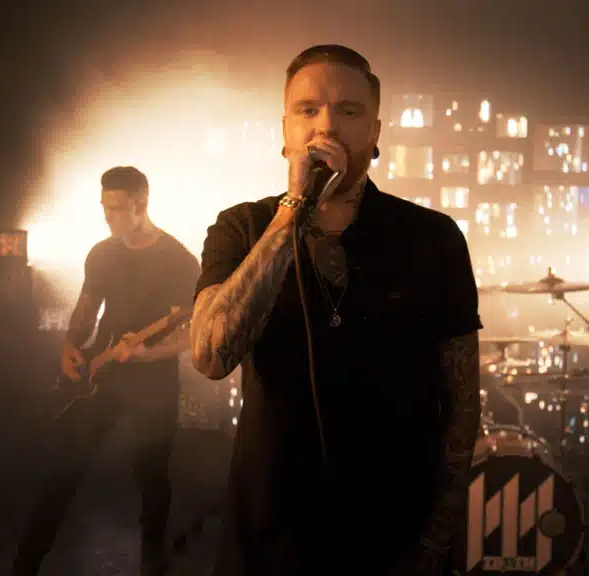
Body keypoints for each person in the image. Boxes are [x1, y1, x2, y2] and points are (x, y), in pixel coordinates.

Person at [190, 45, 482, 575]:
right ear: (285, 132)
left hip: (395, 538)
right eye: (308, 110)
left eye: (349, 111)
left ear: (374, 132)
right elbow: (211, 355)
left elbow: (461, 402)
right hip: (268, 539)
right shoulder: (241, 228)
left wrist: (435, 541)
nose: (326, 126)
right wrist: (292, 213)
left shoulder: (433, 237)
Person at [12, 166, 201, 576]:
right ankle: (26, 563)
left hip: (154, 382)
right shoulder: (101, 253)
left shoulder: (179, 260)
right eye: (104, 207)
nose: (107, 217)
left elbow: (191, 330)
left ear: (141, 205)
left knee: (151, 473)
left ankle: (152, 559)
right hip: (100, 376)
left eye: (115, 209)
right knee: (66, 466)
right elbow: (86, 307)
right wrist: (70, 344)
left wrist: (150, 354)